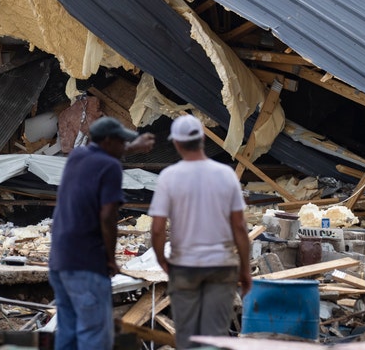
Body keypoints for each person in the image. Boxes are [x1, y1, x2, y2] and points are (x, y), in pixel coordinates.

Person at [49, 116, 155, 349]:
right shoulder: (111, 167)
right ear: (108, 141)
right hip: (86, 262)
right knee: (93, 334)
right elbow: (107, 215)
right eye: (120, 142)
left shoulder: (77, 156)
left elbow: (107, 153)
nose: (122, 148)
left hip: (59, 261)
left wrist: (133, 148)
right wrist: (110, 258)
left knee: (68, 332)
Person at [149, 114, 253, 349]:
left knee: (188, 339)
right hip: (222, 266)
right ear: (203, 139)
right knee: (214, 337)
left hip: (185, 266)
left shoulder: (169, 177)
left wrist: (163, 261)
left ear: (176, 143)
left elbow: (157, 230)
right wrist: (245, 270)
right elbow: (239, 227)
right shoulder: (226, 175)